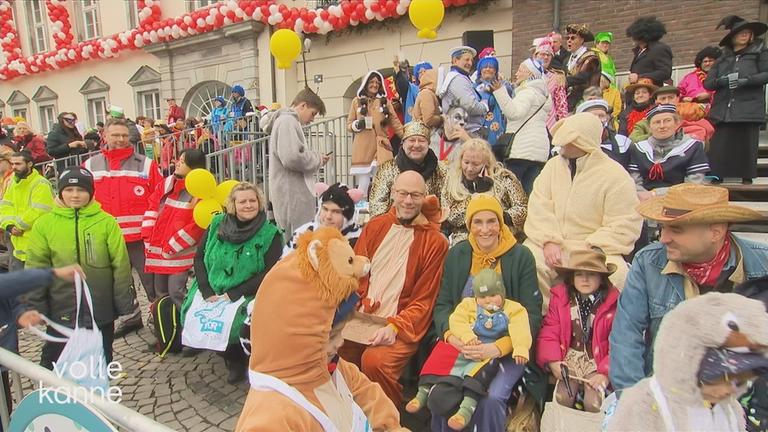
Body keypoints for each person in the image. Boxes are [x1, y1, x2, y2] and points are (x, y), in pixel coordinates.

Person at [235, 227, 406, 432]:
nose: (340, 343)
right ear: (294, 338)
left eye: (339, 333)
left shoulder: (330, 368)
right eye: (331, 336)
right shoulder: (273, 416)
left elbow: (367, 394)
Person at [609, 183, 767, 394]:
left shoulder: (762, 264)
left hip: (742, 401)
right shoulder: (648, 263)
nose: (663, 238)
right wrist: (635, 400)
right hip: (668, 395)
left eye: (675, 229)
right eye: (662, 228)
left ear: (716, 232)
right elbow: (626, 336)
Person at [432, 194, 543, 431]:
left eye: (491, 221)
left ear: (501, 223)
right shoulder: (458, 254)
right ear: (469, 225)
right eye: (478, 222)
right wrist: (453, 337)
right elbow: (442, 306)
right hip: (462, 344)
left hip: (505, 348)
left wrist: (497, 348)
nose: (485, 229)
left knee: (491, 398)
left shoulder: (521, 257)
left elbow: (531, 315)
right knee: (441, 392)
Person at [338, 171, 449, 406]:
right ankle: (349, 413)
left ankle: (387, 420)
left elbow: (424, 300)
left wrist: (395, 326)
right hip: (362, 316)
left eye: (415, 195)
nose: (408, 201)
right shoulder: (375, 226)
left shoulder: (435, 242)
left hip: (399, 323)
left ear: (424, 197)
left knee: (375, 361)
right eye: (403, 193)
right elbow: (354, 275)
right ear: (393, 194)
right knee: (337, 348)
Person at [20, 167, 136, 370]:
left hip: (99, 308)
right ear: (60, 192)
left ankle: (98, 400)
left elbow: (120, 266)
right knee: (54, 364)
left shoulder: (106, 222)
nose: (75, 195)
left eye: (81, 190)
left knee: (101, 361)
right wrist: (36, 304)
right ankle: (59, 400)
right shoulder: (44, 224)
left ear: (90, 192)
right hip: (60, 308)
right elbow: (36, 265)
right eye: (69, 189)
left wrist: (122, 303)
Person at [524, 113, 642, 312]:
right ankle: (543, 322)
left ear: (583, 142)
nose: (561, 147)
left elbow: (625, 222)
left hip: (595, 247)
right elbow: (539, 205)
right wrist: (549, 240)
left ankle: (603, 329)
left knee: (619, 274)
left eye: (567, 142)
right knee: (528, 260)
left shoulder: (615, 175)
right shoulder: (552, 166)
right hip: (553, 243)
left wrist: (593, 248)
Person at [181, 182, 282, 384]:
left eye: (252, 200)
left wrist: (234, 293)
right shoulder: (216, 224)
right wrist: (205, 288)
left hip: (248, 291)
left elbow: (269, 272)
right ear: (232, 205)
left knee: (237, 322)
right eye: (242, 201)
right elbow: (199, 257)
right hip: (213, 286)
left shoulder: (270, 233)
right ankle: (213, 347)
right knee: (191, 312)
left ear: (259, 203)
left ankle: (236, 359)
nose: (248, 205)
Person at [407, 269, 531, 430]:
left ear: (502, 293)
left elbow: (520, 328)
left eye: (493, 295)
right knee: (440, 360)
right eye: (483, 297)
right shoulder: (468, 305)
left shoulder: (513, 309)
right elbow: (456, 320)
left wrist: (520, 347)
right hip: (467, 344)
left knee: (478, 377)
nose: (488, 301)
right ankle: (422, 392)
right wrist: (465, 337)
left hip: (492, 351)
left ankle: (465, 411)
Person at [84, 118, 163, 334]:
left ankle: (160, 320)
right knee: (119, 283)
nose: (120, 140)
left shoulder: (146, 164)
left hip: (140, 238)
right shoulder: (90, 166)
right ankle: (131, 317)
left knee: (152, 282)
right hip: (107, 239)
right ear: (105, 136)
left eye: (124, 135)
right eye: (115, 135)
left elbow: (159, 198)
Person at [536, 248, 618, 413]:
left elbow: (620, 342)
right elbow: (550, 331)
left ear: (602, 279)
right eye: (579, 274)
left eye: (592, 274)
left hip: (597, 361)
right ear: (572, 278)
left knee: (594, 403)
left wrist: (605, 373)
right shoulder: (561, 299)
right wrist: (553, 362)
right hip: (569, 357)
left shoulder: (613, 304)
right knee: (563, 396)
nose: (585, 279)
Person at [704, 15, 768, 185]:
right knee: (721, 144)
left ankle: (746, 176)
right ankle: (718, 175)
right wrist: (722, 81)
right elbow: (708, 83)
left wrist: (747, 81)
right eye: (741, 32)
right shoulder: (722, 59)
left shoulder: (760, 53)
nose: (745, 35)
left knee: (746, 142)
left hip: (749, 106)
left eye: (748, 32)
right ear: (732, 37)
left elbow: (765, 74)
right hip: (723, 108)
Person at [142, 149, 207, 307]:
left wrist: (173, 245)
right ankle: (165, 325)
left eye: (183, 162)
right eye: (179, 159)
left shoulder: (200, 190)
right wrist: (147, 236)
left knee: (176, 291)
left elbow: (197, 225)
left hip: (181, 253)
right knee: (161, 293)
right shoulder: (166, 184)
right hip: (160, 250)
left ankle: (186, 323)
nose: (177, 163)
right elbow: (152, 208)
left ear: (194, 167)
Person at [262, 87, 330, 237]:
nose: (312, 119)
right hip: (292, 195)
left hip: (289, 192)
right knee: (298, 242)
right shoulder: (288, 121)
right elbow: (291, 157)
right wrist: (317, 158)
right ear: (303, 105)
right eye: (313, 113)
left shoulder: (286, 121)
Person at [442, 139, 527, 245]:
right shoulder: (452, 180)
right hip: (465, 237)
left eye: (476, 164)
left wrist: (498, 216)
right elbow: (450, 216)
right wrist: (477, 195)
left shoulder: (504, 177)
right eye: (466, 162)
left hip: (501, 233)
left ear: (486, 163)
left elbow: (522, 208)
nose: (469, 169)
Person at [493, 58, 552, 194]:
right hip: (538, 151)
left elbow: (514, 113)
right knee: (531, 192)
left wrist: (500, 92)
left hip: (521, 150)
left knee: (513, 191)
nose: (517, 74)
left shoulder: (527, 92)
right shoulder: (542, 95)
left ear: (530, 74)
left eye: (520, 70)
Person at [368, 121, 447, 217]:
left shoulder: (441, 170)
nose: (417, 145)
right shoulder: (387, 169)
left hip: (430, 227)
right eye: (412, 140)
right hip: (395, 227)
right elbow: (376, 207)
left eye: (421, 141)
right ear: (403, 143)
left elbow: (446, 206)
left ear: (428, 144)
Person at [348, 70, 404, 194]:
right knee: (363, 180)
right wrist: (357, 124)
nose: (375, 85)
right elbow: (349, 124)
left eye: (377, 83)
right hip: (364, 145)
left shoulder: (385, 102)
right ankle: (361, 208)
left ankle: (382, 206)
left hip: (381, 145)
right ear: (366, 84)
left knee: (383, 178)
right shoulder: (356, 102)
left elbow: (395, 122)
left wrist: (406, 137)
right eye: (372, 82)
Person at [0, 151, 55, 271]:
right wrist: (9, 225)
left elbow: (39, 210)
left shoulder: (41, 183)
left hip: (37, 243)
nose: (14, 167)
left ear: (29, 164)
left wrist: (18, 226)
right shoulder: (13, 183)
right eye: (12, 164)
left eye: (18, 164)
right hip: (18, 243)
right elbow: (5, 206)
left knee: (37, 285)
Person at [282, 182, 363, 256]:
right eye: (325, 209)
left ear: (347, 217)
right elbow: (282, 265)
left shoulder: (359, 240)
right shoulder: (302, 233)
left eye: (336, 212)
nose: (328, 216)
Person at [629, 86, 715, 144]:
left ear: (678, 98)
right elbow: (633, 139)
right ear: (656, 101)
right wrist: (658, 135)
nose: (666, 101)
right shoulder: (645, 121)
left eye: (670, 98)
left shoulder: (691, 115)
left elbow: (707, 131)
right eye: (663, 98)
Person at [437, 46, 489, 137]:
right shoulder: (458, 79)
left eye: (471, 60)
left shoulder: (459, 77)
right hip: (465, 133)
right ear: (455, 60)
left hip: (463, 131)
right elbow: (471, 106)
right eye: (466, 60)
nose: (470, 63)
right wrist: (484, 106)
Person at [475, 49, 514, 152]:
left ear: (496, 71)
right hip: (480, 128)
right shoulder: (474, 87)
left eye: (491, 67)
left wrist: (500, 89)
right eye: (485, 67)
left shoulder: (503, 85)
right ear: (480, 70)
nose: (488, 69)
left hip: (499, 129)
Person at [575, 99, 631, 169]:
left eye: (601, 115)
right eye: (592, 116)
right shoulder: (574, 145)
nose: (597, 119)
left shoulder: (623, 142)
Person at [626, 16, 673, 88]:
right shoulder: (639, 51)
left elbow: (665, 72)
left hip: (651, 92)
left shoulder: (659, 49)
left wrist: (639, 77)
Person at [564, 24, 602, 111]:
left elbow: (583, 77)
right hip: (569, 102)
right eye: (567, 38)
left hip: (587, 99)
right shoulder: (566, 60)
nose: (569, 41)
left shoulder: (591, 58)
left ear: (581, 40)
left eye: (573, 38)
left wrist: (564, 80)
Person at [534, 38, 569, 131]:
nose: (545, 57)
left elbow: (561, 105)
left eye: (548, 55)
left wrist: (563, 125)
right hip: (531, 122)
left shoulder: (557, 77)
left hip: (550, 124)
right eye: (542, 54)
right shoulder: (527, 75)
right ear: (535, 56)